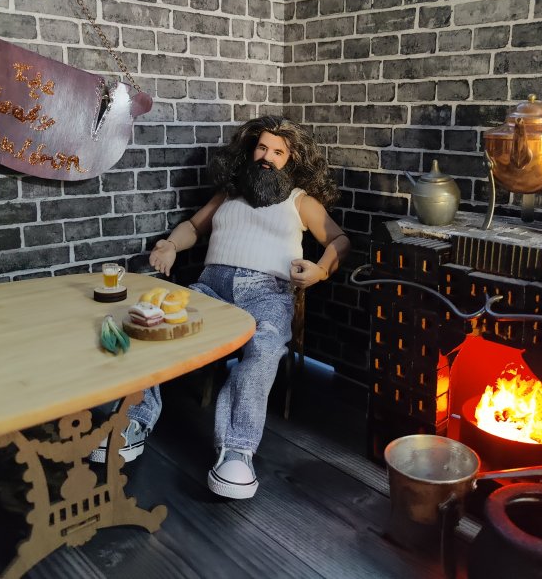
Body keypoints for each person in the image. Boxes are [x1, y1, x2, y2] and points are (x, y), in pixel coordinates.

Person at [92, 116, 350, 499]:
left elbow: (339, 241)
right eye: (262, 148)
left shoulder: (300, 201)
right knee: (152, 327)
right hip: (211, 288)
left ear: (291, 159)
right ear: (251, 150)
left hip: (267, 292)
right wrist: (170, 245)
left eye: (278, 152)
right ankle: (133, 420)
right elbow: (194, 228)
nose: (267, 157)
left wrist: (321, 270)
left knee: (264, 347)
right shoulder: (229, 194)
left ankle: (237, 450)